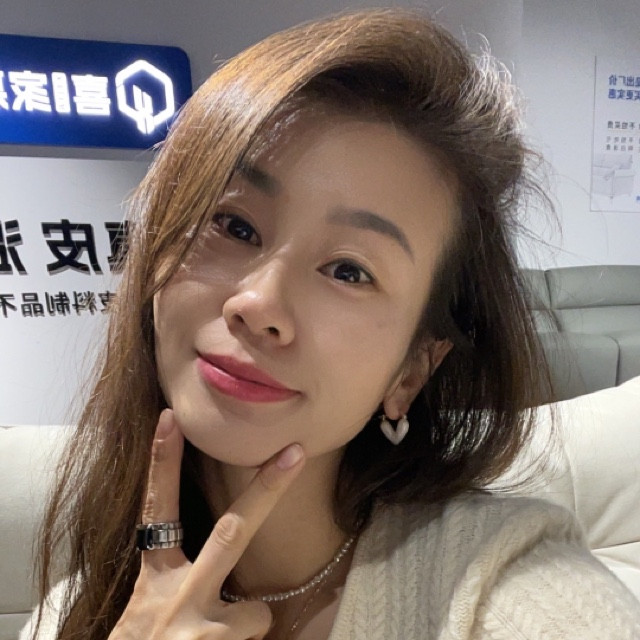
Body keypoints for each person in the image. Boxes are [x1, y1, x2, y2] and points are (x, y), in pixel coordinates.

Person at [22, 8, 640, 640]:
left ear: (410, 371)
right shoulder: (72, 612)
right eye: (235, 225)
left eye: (349, 271)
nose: (259, 303)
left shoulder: (511, 591)